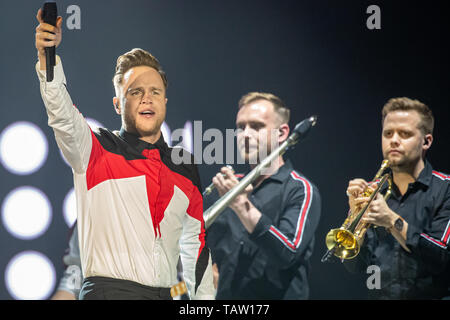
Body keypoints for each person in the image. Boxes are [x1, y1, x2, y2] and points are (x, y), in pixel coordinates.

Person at [34, 9, 214, 300]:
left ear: (165, 102)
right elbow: (63, 115)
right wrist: (48, 59)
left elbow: (195, 247)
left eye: (155, 92)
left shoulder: (184, 166)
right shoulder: (94, 150)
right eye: (135, 92)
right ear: (118, 104)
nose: (146, 98)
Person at [206, 92, 321, 299]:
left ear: (282, 133)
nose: (246, 134)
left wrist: (243, 207)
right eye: (241, 127)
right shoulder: (228, 185)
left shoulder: (300, 189)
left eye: (256, 126)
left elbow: (288, 252)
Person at [344, 97, 450, 299]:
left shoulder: (445, 188)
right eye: (388, 133)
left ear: (426, 141)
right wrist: (355, 226)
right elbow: (355, 267)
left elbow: (441, 257)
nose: (393, 140)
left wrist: (391, 220)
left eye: (405, 134)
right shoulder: (371, 191)